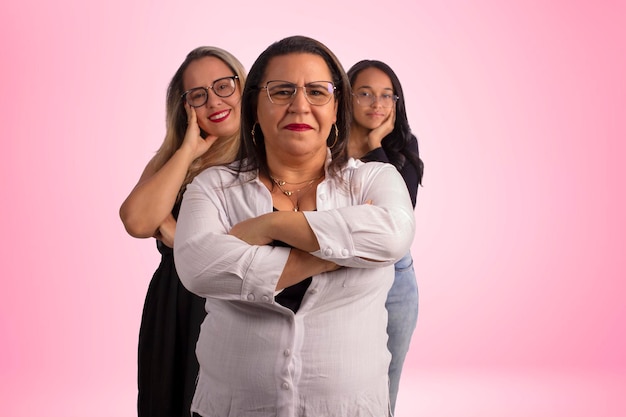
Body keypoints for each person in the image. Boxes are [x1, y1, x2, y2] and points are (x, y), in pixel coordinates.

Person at [174, 35, 416, 417]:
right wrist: (340, 255)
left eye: (317, 92)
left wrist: (272, 225)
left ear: (337, 108)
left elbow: (393, 235)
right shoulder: (213, 186)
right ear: (254, 105)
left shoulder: (375, 179)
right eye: (282, 91)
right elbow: (197, 268)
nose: (300, 105)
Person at [119, 46, 246, 417]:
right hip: (173, 303)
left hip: (228, 304)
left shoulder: (265, 154)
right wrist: (189, 149)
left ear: (243, 86)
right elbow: (137, 221)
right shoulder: (175, 157)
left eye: (224, 86)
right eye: (198, 95)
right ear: (185, 105)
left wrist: (181, 239)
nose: (214, 101)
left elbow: (256, 245)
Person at [347, 59, 424, 413]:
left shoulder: (403, 147)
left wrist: (376, 145)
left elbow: (396, 214)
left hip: (395, 279)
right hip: (343, 272)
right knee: (344, 378)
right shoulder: (326, 146)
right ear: (347, 97)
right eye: (365, 93)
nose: (377, 103)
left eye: (386, 96)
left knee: (386, 381)